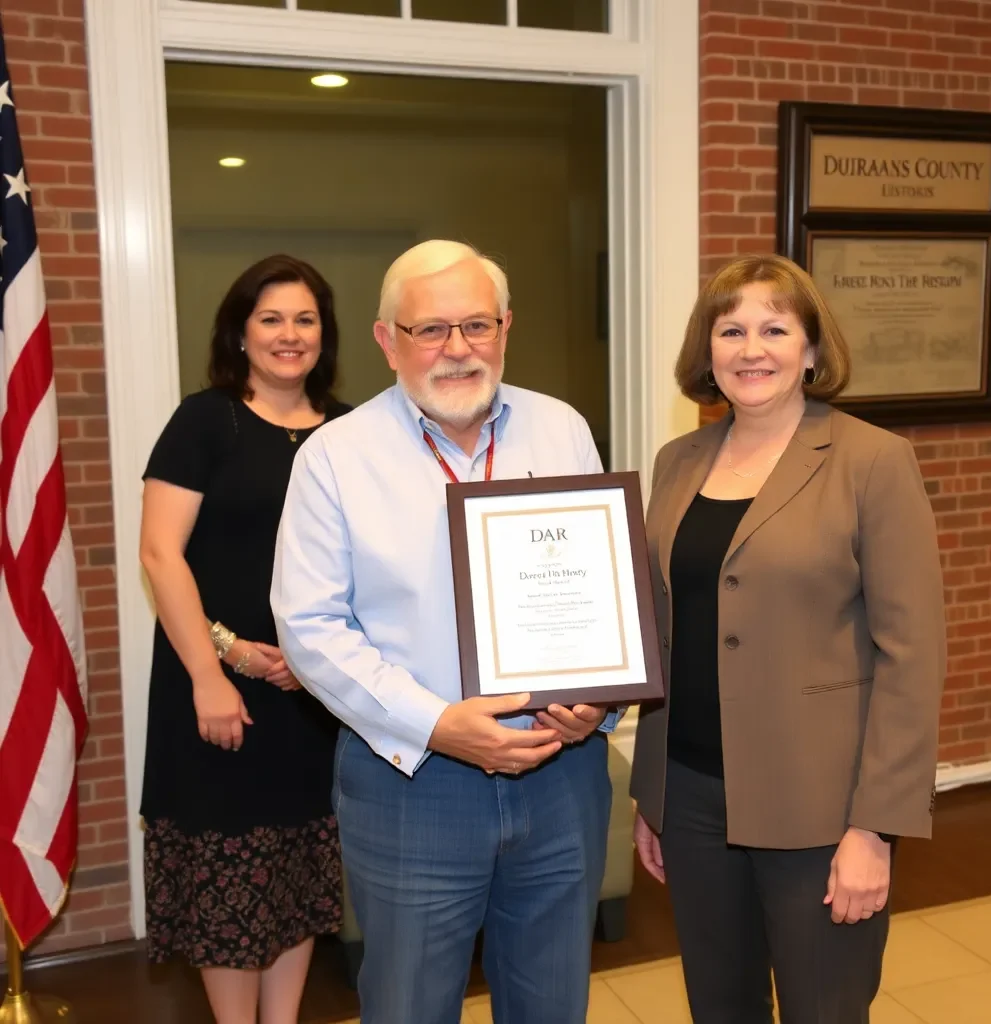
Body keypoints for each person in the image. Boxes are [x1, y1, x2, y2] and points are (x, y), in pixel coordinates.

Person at [271, 239, 621, 1024]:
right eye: (430, 330)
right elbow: (312, 628)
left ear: (506, 327)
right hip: (413, 785)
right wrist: (438, 725)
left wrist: (601, 698)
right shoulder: (335, 458)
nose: (457, 349)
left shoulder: (561, 427)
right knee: (409, 1007)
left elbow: (599, 586)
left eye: (476, 325)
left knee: (551, 1003)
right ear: (386, 340)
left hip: (561, 775)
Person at [629, 254, 946, 1024]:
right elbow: (662, 633)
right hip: (695, 797)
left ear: (811, 349)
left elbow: (912, 655)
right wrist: (652, 796)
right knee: (720, 1006)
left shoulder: (872, 461)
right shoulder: (677, 464)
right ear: (708, 351)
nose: (750, 348)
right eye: (730, 329)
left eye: (775, 328)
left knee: (824, 1010)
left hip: (823, 808)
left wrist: (875, 827)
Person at [139, 254, 350, 1024]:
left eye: (305, 319)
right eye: (271, 319)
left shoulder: (349, 431)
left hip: (310, 694)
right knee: (228, 880)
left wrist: (319, 658)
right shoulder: (207, 419)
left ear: (325, 335)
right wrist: (217, 664)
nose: (289, 335)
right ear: (240, 330)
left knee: (294, 872)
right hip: (216, 689)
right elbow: (161, 554)